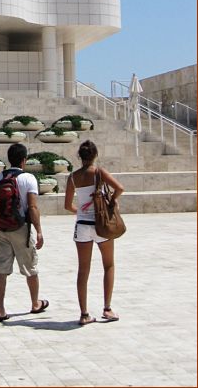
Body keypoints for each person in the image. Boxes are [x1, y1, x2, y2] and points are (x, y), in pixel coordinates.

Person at [64, 139, 125, 325]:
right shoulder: (99, 172)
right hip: (101, 224)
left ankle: (84, 314)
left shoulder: (73, 177)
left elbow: (67, 206)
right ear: (95, 155)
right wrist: (112, 201)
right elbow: (120, 188)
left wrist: (80, 211)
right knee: (108, 265)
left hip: (82, 225)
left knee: (83, 270)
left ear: (79, 157)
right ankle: (107, 308)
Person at [0, 142, 48, 322]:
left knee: (1, 270)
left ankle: (0, 309)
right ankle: (35, 303)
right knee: (30, 268)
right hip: (21, 228)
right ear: (24, 160)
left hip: (1, 228)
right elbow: (32, 207)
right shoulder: (28, 178)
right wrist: (38, 231)